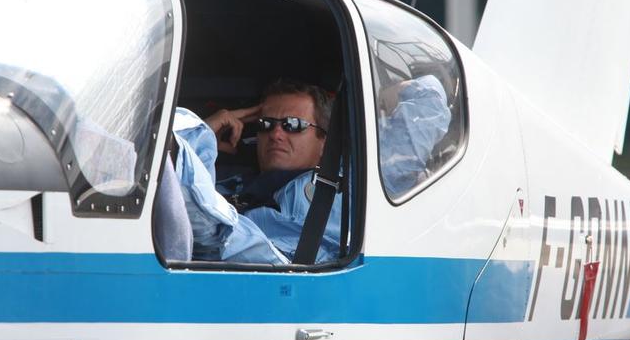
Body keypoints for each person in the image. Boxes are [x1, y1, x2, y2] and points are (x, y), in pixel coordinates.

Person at [172, 75, 450, 265]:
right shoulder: (229, 183)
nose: (276, 134)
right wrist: (212, 126)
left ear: (326, 141)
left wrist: (384, 91)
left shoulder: (351, 186)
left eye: (293, 125)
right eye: (266, 124)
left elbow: (427, 100)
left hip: (282, 269)